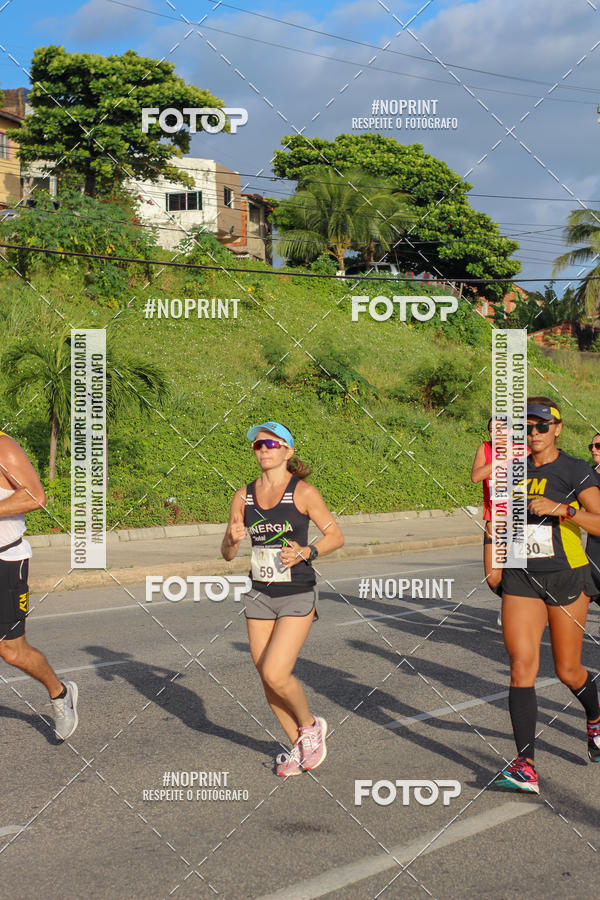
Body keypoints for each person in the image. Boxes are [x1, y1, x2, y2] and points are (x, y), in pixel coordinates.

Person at [221, 421, 344, 776]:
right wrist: (232, 538)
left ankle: (310, 726)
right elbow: (228, 553)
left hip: (297, 592)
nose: (263, 450)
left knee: (277, 671)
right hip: (259, 593)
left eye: (271, 444)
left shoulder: (303, 493)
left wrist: (308, 551)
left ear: (288, 451)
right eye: (258, 445)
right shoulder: (242, 496)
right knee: (265, 676)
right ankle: (299, 745)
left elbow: (335, 535)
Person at [495, 398, 600, 794]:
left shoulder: (574, 469)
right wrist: (494, 565)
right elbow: (498, 521)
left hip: (566, 576)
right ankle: (525, 764)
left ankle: (595, 715)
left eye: (541, 426)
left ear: (557, 428)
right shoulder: (511, 470)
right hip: (521, 576)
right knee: (522, 666)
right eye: (526, 427)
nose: (533, 433)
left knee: (568, 670)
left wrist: (564, 510)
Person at [0, 431, 78, 740]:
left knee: (12, 651)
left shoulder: (3, 448)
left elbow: (34, 496)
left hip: (6, 562)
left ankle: (60, 693)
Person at [471, 418, 506, 618]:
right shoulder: (484, 449)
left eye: (500, 430)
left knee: (520, 572)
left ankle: (516, 607)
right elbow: (476, 476)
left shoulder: (522, 451)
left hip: (518, 520)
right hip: (494, 521)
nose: (495, 434)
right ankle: (513, 600)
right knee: (493, 578)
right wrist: (499, 461)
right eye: (492, 430)